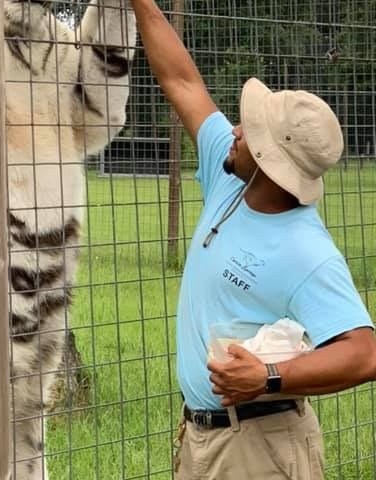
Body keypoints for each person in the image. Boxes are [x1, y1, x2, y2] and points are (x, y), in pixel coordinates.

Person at [128, 1, 376, 478]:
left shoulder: (308, 252)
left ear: (267, 161)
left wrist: (268, 376)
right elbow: (182, 82)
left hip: (262, 448)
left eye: (250, 131)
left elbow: (364, 353)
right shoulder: (229, 177)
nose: (235, 131)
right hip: (201, 438)